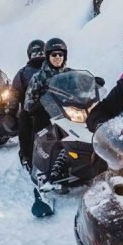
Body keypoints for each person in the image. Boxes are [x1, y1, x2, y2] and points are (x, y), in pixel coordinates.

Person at [23, 38, 72, 167]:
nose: (57, 57)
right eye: (54, 55)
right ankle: (33, 157)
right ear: (48, 56)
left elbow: (81, 87)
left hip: (68, 110)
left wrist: (93, 82)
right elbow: (28, 99)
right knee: (29, 120)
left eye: (60, 55)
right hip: (46, 112)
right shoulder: (39, 76)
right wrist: (35, 105)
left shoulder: (70, 73)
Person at [4, 39, 46, 170]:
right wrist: (11, 110)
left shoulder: (53, 68)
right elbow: (14, 92)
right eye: (35, 53)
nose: (38, 55)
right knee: (25, 124)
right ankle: (27, 155)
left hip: (55, 106)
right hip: (31, 108)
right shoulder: (22, 73)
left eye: (40, 52)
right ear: (29, 55)